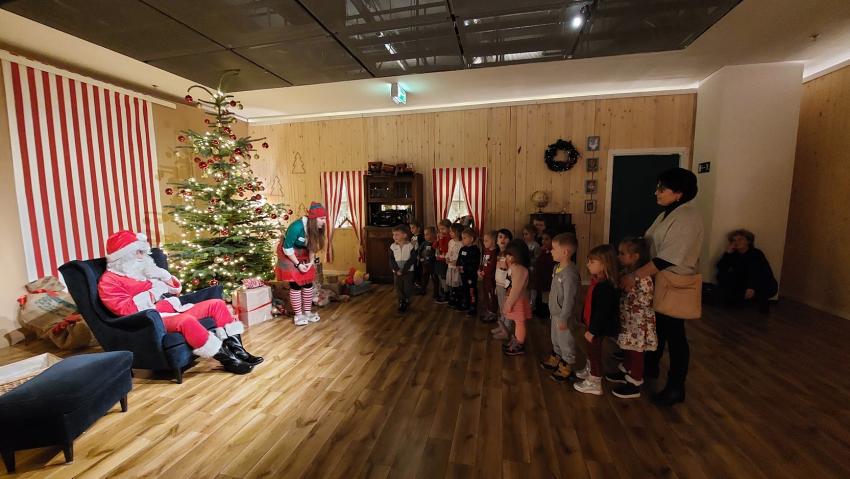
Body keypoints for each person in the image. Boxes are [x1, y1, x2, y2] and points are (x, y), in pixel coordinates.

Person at [98, 231, 261, 375]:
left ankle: (240, 352)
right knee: (186, 321)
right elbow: (126, 310)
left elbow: (175, 290)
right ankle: (229, 360)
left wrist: (164, 276)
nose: (143, 256)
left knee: (217, 304)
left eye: (143, 251)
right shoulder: (109, 281)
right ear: (124, 256)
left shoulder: (143, 269)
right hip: (152, 319)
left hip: (173, 307)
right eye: (138, 252)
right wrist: (154, 292)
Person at [621, 167, 703, 406]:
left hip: (674, 284)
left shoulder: (687, 218)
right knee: (658, 328)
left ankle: (676, 386)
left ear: (679, 193)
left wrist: (634, 275)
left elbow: (668, 258)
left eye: (662, 189)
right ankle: (649, 367)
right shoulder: (668, 213)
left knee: (675, 335)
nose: (656, 192)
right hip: (660, 282)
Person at [607, 237, 657, 399]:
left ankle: (635, 381)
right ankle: (626, 371)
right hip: (629, 319)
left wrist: (629, 292)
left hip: (638, 322)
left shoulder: (643, 277)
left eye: (622, 253)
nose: (619, 256)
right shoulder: (627, 273)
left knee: (636, 352)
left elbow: (645, 299)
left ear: (635, 256)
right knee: (628, 348)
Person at [574, 244, 620, 395]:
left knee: (595, 354)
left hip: (597, 328)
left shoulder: (605, 288)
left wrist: (593, 331)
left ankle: (594, 380)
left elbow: (602, 313)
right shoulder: (597, 282)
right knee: (591, 351)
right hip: (592, 324)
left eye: (592, 262)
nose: (588, 264)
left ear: (605, 264)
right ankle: (590, 371)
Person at [275, 202, 327, 326]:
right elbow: (287, 248)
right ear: (314, 219)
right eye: (322, 218)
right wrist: (298, 265)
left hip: (303, 252)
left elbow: (312, 247)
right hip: (288, 254)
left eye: (325, 218)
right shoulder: (296, 227)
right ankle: (298, 315)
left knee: (308, 283)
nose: (324, 221)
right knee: (296, 284)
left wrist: (310, 262)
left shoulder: (316, 228)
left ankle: (307, 312)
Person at [540, 233, 580, 382]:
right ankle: (556, 358)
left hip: (564, 316)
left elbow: (570, 298)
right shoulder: (557, 268)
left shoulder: (570, 274)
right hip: (555, 313)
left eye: (554, 249)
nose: (551, 251)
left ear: (565, 252)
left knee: (565, 341)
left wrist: (564, 318)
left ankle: (566, 366)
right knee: (555, 338)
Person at [716, 229, 777, 313]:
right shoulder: (734, 254)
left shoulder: (756, 253)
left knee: (760, 281)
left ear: (748, 241)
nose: (736, 242)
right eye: (734, 240)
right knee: (722, 275)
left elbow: (757, 272)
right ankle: (736, 301)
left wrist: (751, 287)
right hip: (744, 282)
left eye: (740, 239)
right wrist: (728, 253)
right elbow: (721, 267)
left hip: (762, 283)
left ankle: (761, 304)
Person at [502, 239, 532, 356]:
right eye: (507, 254)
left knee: (519, 323)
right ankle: (517, 340)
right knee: (517, 322)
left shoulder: (519, 269)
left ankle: (519, 344)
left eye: (511, 255)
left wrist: (509, 304)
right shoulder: (515, 267)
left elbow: (516, 290)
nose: (508, 257)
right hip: (514, 299)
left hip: (517, 301)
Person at [491, 229, 514, 339]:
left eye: (506, 237)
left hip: (506, 287)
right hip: (499, 285)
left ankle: (507, 329)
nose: (503, 239)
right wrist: (497, 286)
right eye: (500, 237)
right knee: (501, 308)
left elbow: (511, 273)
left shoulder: (510, 255)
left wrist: (508, 288)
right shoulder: (498, 254)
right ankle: (502, 327)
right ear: (496, 241)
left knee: (507, 308)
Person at [389, 225, 415, 312]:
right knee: (398, 287)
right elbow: (391, 259)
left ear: (404, 235)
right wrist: (397, 270)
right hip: (397, 272)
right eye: (393, 234)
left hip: (408, 271)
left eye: (397, 234)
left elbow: (412, 259)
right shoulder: (392, 246)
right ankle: (402, 301)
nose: (394, 236)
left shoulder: (410, 246)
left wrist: (404, 270)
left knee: (407, 287)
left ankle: (406, 299)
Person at [531, 230, 556, 317]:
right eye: (542, 239)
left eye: (546, 239)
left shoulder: (554, 253)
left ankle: (546, 313)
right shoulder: (543, 251)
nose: (543, 241)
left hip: (548, 279)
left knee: (547, 297)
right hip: (541, 278)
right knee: (541, 296)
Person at [457, 228, 481, 315]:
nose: (462, 240)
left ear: (471, 239)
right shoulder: (462, 249)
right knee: (464, 289)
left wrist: (465, 267)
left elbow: (474, 263)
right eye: (462, 238)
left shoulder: (475, 250)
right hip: (463, 274)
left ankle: (473, 306)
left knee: (472, 290)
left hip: (471, 275)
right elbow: (459, 259)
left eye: (464, 238)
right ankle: (465, 303)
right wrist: (458, 266)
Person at [478, 231, 499, 323]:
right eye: (484, 240)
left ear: (494, 241)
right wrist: (480, 270)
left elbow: (493, 267)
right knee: (486, 294)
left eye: (486, 241)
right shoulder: (486, 250)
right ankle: (488, 310)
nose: (484, 242)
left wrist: (485, 273)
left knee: (492, 296)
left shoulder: (496, 253)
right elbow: (483, 262)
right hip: (485, 278)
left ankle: (492, 313)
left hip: (491, 280)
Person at [434, 219, 452, 304]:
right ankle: (443, 291)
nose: (441, 231)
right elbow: (434, 246)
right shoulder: (441, 237)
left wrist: (441, 239)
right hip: (439, 259)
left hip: (444, 260)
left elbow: (445, 249)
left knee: (444, 277)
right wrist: (437, 239)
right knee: (440, 276)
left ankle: (446, 294)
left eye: (443, 229)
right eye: (440, 229)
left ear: (449, 228)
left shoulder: (449, 238)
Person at [445, 223, 464, 309]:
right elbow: (449, 252)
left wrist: (457, 262)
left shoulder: (461, 244)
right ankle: (453, 298)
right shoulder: (450, 242)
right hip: (450, 266)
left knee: (458, 284)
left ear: (457, 232)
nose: (450, 233)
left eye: (452, 232)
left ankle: (459, 300)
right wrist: (447, 258)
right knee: (452, 284)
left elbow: (462, 256)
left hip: (457, 267)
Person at [419, 226, 438, 297]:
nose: (425, 236)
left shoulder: (436, 243)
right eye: (425, 235)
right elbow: (419, 250)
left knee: (434, 278)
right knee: (424, 277)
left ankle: (436, 293)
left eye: (427, 234)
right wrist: (420, 257)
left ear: (433, 234)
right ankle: (422, 290)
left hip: (433, 264)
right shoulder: (424, 243)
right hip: (425, 264)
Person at [409, 221, 423, 290]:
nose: (411, 229)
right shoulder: (412, 237)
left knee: (419, 270)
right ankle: (415, 283)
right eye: (410, 228)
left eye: (413, 228)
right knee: (414, 270)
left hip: (418, 256)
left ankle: (419, 285)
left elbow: (421, 247)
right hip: (413, 256)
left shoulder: (421, 237)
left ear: (418, 228)